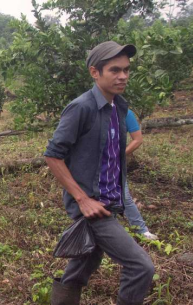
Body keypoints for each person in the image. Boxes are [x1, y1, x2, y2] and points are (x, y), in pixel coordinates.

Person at [44, 41, 154, 305]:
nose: (123, 76)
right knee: (141, 267)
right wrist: (82, 199)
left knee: (80, 268)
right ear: (95, 72)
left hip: (110, 203)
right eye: (115, 70)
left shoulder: (119, 107)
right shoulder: (81, 107)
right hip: (94, 207)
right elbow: (52, 154)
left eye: (126, 70)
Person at [123, 109, 158, 240]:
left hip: (114, 164)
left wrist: (118, 156)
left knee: (124, 196)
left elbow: (137, 139)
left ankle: (141, 230)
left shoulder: (125, 112)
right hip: (90, 162)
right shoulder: (90, 108)